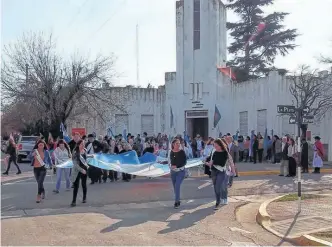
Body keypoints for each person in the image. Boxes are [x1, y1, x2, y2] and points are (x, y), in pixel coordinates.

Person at [206, 138, 235, 210]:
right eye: (214, 146)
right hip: (214, 171)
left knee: (220, 186)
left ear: (220, 145)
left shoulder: (225, 152)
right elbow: (211, 162)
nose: (215, 147)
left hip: (222, 171)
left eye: (216, 145)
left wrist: (233, 171)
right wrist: (207, 163)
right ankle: (218, 200)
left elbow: (228, 163)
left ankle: (219, 202)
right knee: (216, 188)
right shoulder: (215, 152)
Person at [170, 138, 187, 209]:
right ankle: (178, 199)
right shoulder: (171, 152)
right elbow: (171, 161)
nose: (178, 145)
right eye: (177, 143)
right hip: (173, 172)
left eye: (179, 143)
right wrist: (171, 166)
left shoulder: (182, 152)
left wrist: (176, 165)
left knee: (177, 185)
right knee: (175, 187)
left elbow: (184, 162)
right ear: (173, 144)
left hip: (181, 171)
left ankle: (176, 202)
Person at [71, 139, 89, 207]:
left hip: (84, 170)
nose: (83, 145)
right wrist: (82, 170)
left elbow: (85, 158)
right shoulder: (75, 152)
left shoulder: (85, 150)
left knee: (84, 185)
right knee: (76, 186)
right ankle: (74, 201)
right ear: (78, 145)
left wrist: (90, 156)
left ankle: (84, 198)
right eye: (81, 144)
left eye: (84, 144)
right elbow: (75, 164)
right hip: (77, 170)